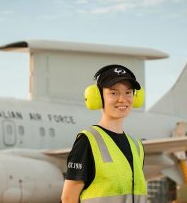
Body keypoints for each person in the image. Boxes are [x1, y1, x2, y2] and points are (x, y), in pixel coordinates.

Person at [61, 64, 147, 203]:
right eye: (114, 93)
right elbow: (68, 198)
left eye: (128, 92)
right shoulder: (87, 141)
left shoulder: (137, 146)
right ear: (98, 97)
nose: (122, 99)